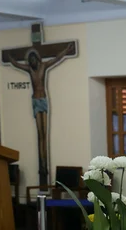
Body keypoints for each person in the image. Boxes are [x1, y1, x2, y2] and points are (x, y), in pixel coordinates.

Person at [7, 43, 75, 186]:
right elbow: (16, 65)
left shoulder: (44, 66)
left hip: (43, 100)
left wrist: (66, 50)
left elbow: (56, 59)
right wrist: (10, 58)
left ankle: (43, 164)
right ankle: (42, 165)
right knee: (40, 134)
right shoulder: (29, 70)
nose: (32, 62)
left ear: (37, 59)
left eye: (33, 59)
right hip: (36, 102)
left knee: (45, 133)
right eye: (30, 60)